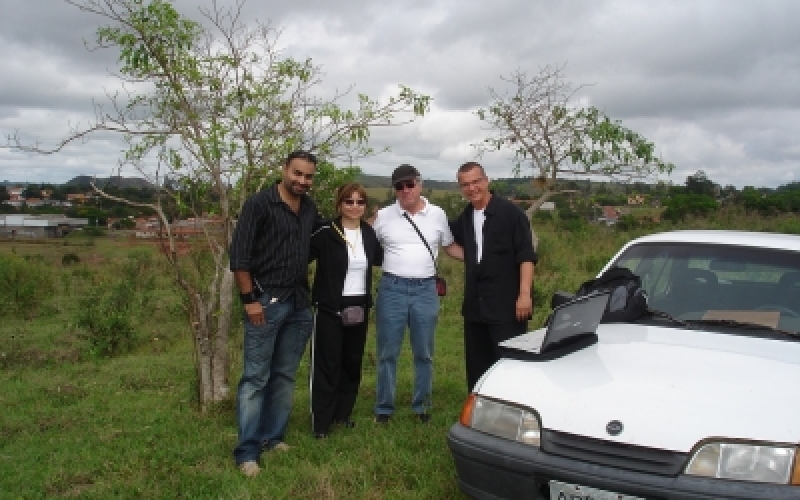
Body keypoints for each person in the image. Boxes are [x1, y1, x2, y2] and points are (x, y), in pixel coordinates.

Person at [229, 150, 322, 477]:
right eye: (297, 173)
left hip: (298, 303)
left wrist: (366, 223)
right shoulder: (259, 204)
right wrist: (250, 300)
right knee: (255, 378)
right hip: (265, 301)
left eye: (308, 176)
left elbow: (325, 239)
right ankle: (247, 453)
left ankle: (273, 436)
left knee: (284, 375)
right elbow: (239, 256)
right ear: (284, 170)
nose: (302, 181)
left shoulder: (309, 208)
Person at [371, 164, 463, 424]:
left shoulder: (438, 215)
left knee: (424, 352)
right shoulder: (384, 216)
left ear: (419, 184)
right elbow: (365, 242)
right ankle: (384, 408)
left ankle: (421, 405)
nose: (405, 191)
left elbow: (450, 247)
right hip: (392, 288)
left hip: (425, 289)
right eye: (399, 186)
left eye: (409, 184)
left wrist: (482, 259)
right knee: (388, 352)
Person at [450, 161, 537, 391]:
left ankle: (512, 410)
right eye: (465, 184)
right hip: (475, 308)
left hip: (507, 306)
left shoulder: (511, 214)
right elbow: (454, 245)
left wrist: (525, 294)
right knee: (478, 368)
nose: (472, 188)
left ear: (486, 180)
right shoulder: (465, 217)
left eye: (476, 182)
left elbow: (526, 256)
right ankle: (480, 414)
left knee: (509, 365)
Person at [309, 183, 383, 438]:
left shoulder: (369, 234)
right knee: (327, 364)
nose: (354, 206)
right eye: (349, 201)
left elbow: (380, 259)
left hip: (359, 306)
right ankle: (321, 423)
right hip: (330, 307)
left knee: (351, 363)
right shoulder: (325, 232)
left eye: (360, 202)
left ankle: (343, 414)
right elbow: (301, 257)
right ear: (339, 204)